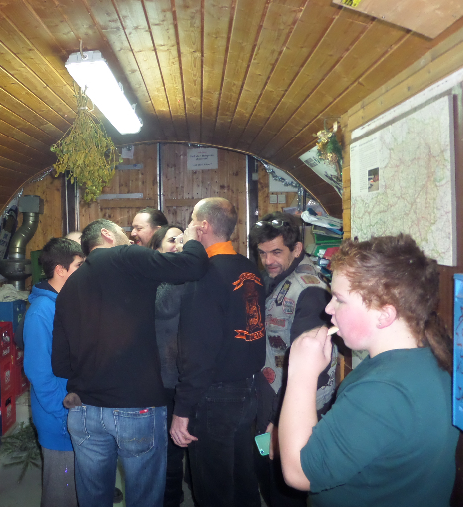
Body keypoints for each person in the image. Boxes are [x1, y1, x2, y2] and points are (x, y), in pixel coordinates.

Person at [278, 234, 458, 507]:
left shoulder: (384, 390)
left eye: (339, 299)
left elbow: (298, 473)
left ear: (384, 315)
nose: (328, 308)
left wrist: (301, 372)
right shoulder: (428, 354)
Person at [51, 218, 208, 507]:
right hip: (137, 406)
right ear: (107, 235)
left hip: (84, 411)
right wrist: (191, 239)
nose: (131, 238)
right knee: (144, 499)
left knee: (93, 500)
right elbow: (193, 266)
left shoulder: (69, 287)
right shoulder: (126, 256)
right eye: (124, 233)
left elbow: (60, 364)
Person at [171, 197, 265, 507]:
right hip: (247, 389)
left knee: (213, 488)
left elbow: (198, 351)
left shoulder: (206, 275)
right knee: (242, 479)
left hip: (215, 395)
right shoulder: (248, 267)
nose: (187, 228)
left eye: (191, 222)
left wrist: (182, 410)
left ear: (203, 226)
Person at [249, 212, 337, 507]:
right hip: (269, 398)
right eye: (263, 253)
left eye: (276, 252)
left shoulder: (309, 291)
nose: (268, 260)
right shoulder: (276, 277)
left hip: (290, 407)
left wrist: (278, 420)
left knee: (284, 487)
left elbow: (311, 368)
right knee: (266, 467)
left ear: (297, 249)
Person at [23, 237, 85, 507]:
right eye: (79, 266)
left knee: (76, 488)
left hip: (71, 412)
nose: (84, 271)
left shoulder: (65, 302)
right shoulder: (42, 311)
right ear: (60, 270)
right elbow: (39, 373)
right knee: (62, 491)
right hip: (58, 418)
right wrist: (63, 413)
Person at [148, 224, 187, 507]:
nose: (179, 245)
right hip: (157, 377)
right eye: (172, 240)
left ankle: (172, 497)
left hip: (181, 376)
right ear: (157, 248)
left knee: (176, 446)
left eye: (184, 240)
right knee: (160, 446)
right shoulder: (156, 280)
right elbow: (163, 307)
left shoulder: (186, 277)